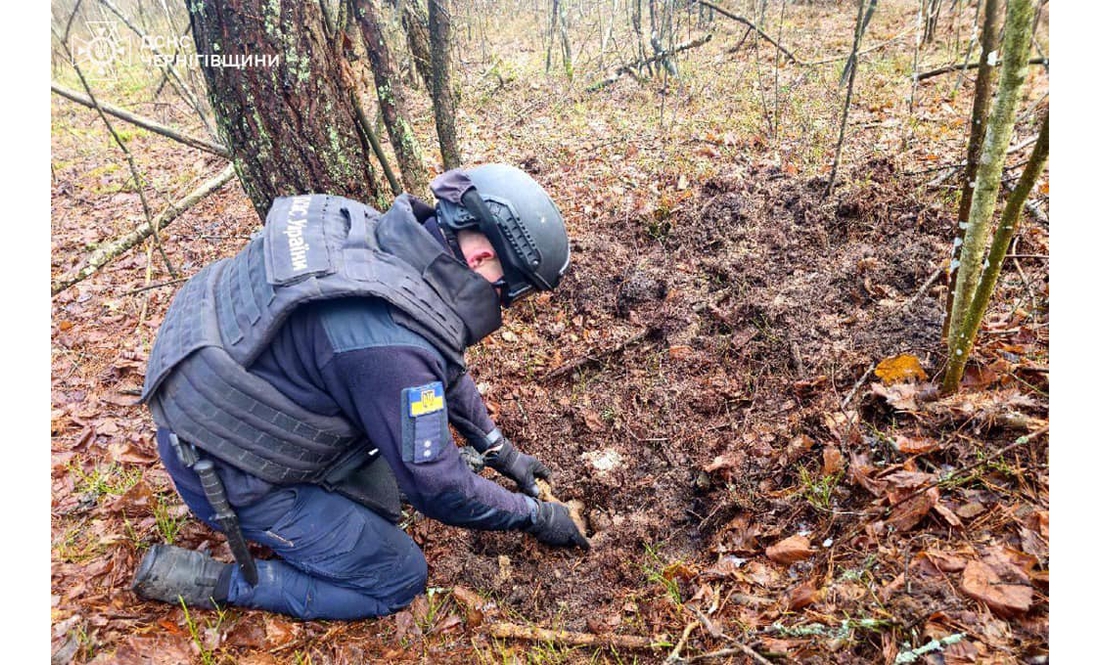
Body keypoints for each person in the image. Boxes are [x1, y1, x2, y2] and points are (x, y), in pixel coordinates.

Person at [131, 164, 589, 620]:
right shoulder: (391, 351)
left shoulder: (385, 244)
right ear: (481, 259)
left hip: (227, 403)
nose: (506, 304)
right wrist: (534, 515)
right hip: (230, 474)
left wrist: (501, 453)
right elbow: (441, 489)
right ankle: (226, 582)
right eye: (511, 292)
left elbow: (439, 362)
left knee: (397, 474)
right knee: (398, 576)